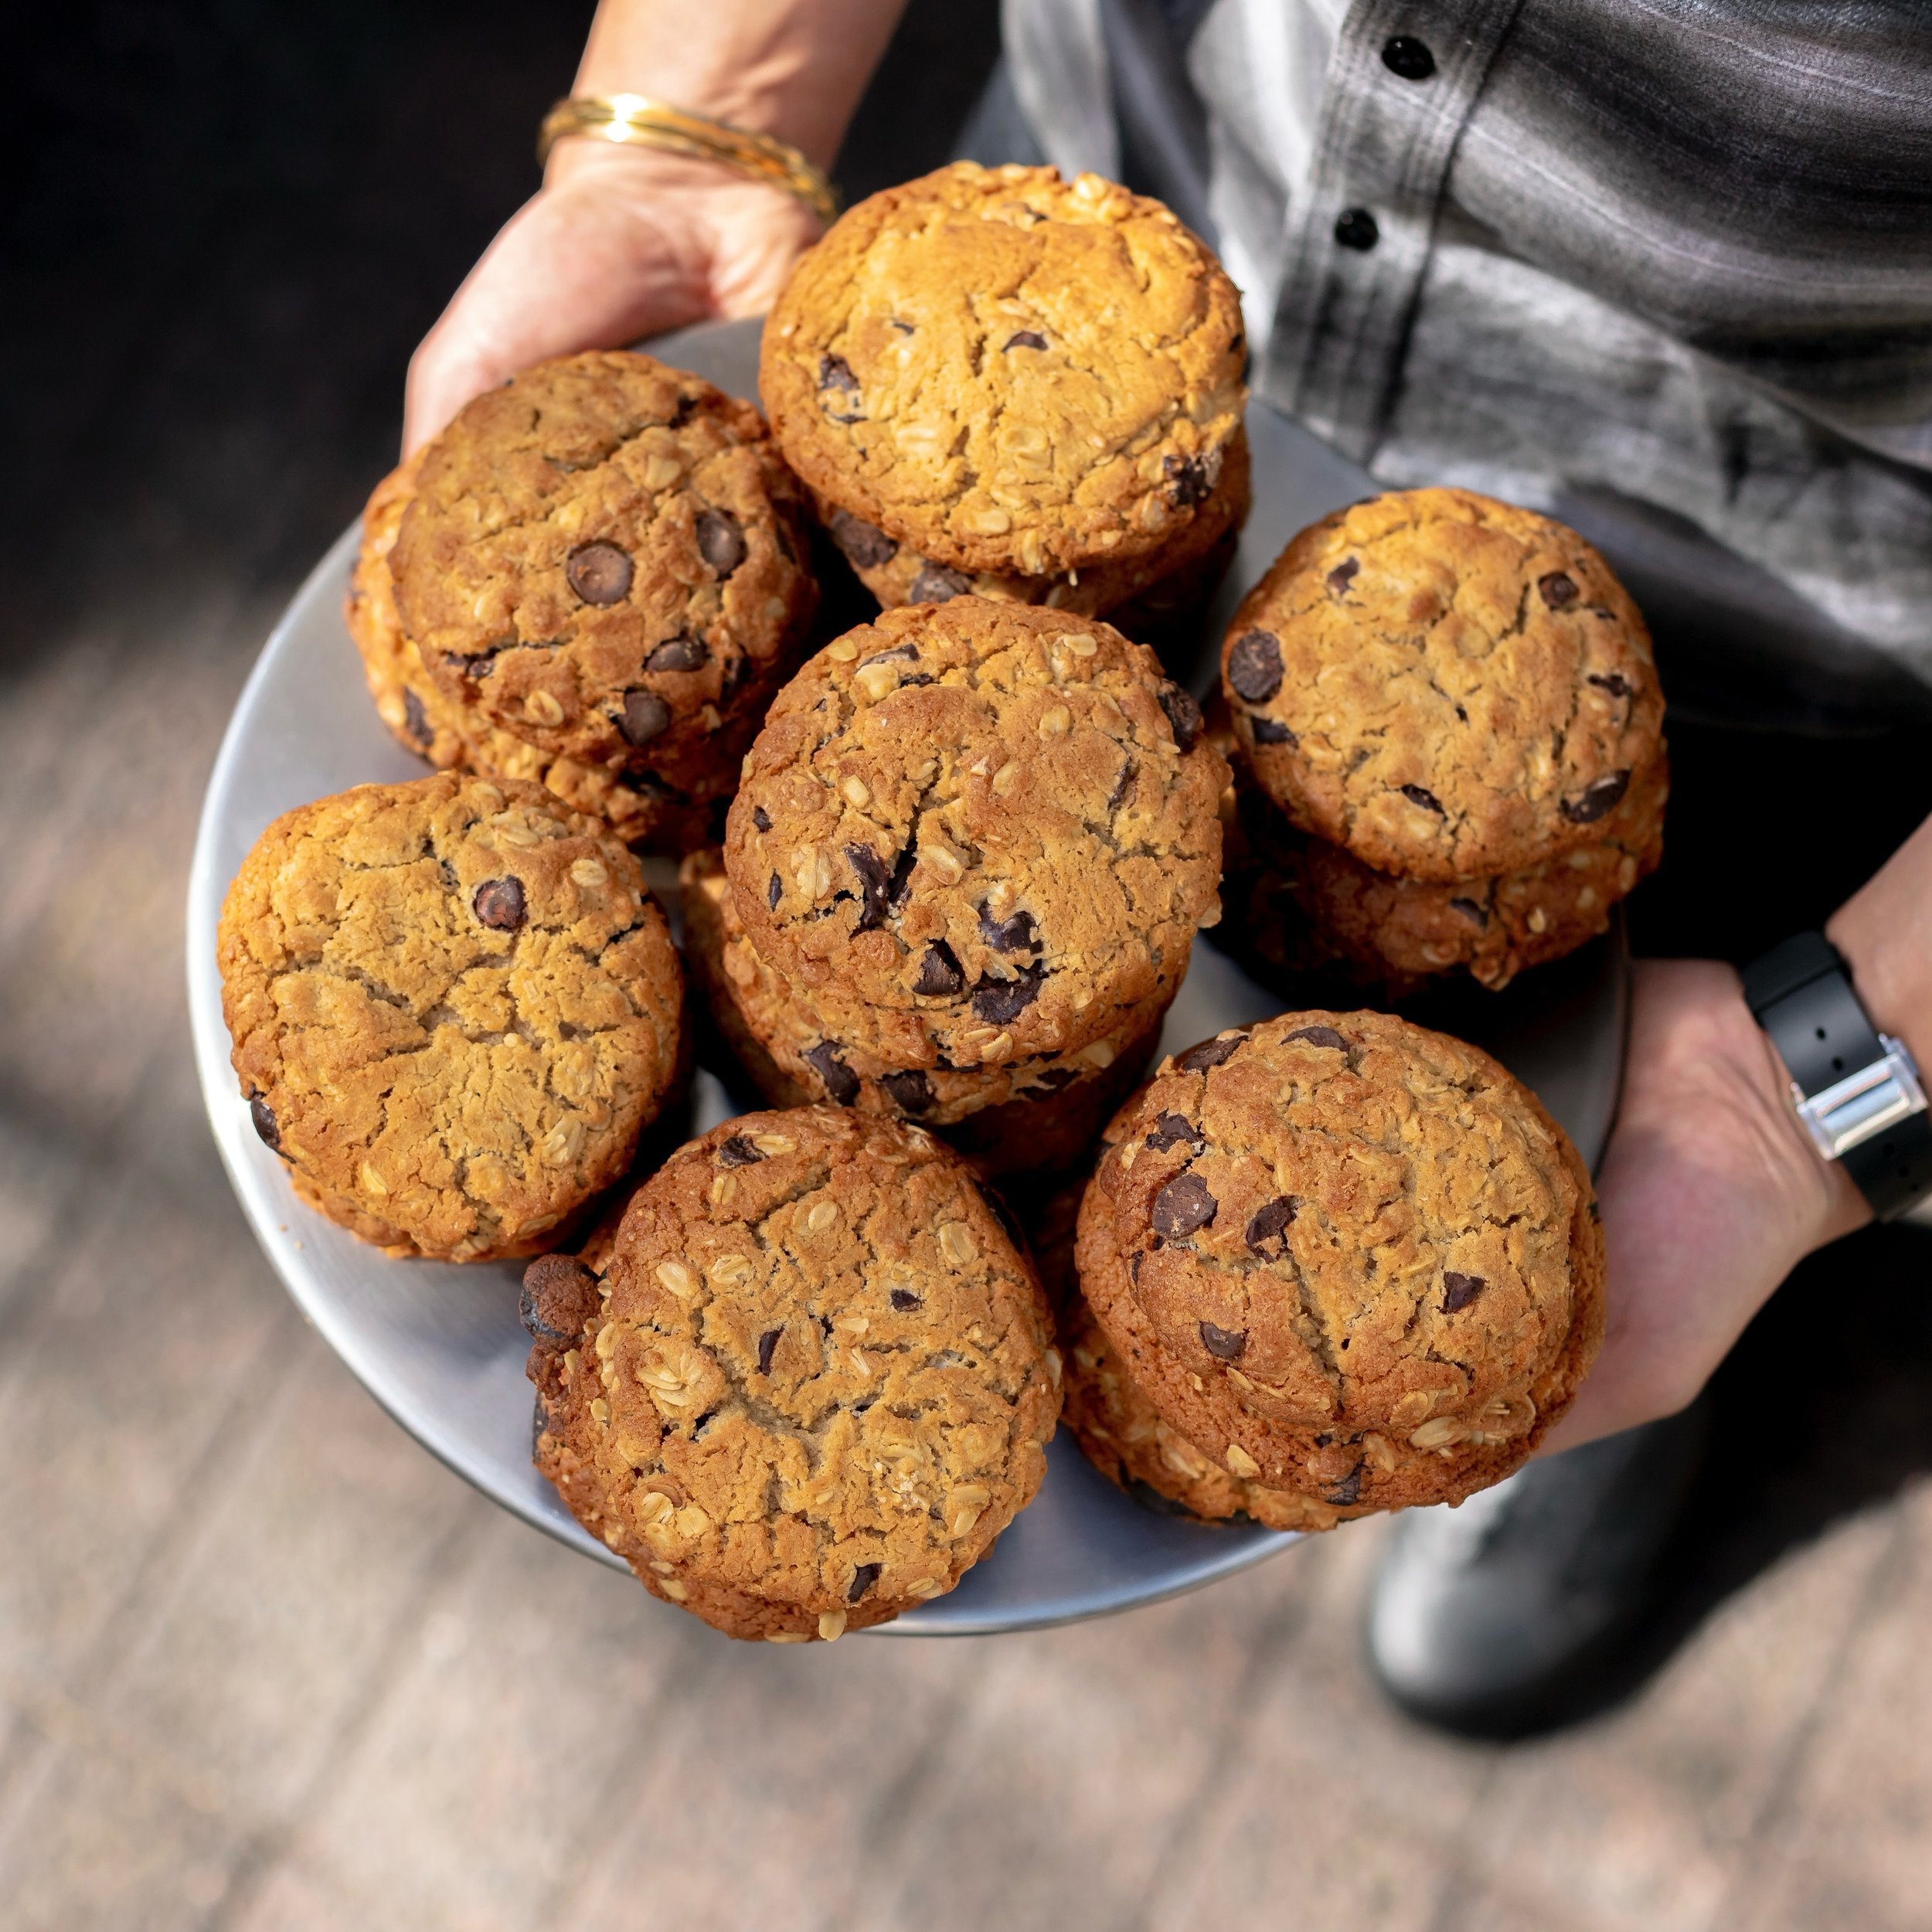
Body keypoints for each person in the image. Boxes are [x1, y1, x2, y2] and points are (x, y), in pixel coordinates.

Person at [406, 0, 1932, 1730]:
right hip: (1039, 272)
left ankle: (1569, 1382)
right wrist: (696, 120)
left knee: (1605, 1184)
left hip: (1788, 629)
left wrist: (1820, 1083)